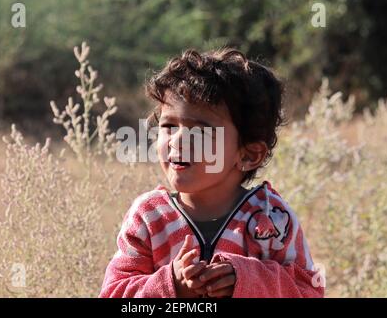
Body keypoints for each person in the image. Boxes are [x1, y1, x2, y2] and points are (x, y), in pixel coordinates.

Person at [99, 48, 324, 298]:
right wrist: (171, 284)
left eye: (201, 131)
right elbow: (114, 294)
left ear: (249, 155)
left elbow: (308, 291)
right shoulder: (149, 218)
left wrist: (246, 279)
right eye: (169, 126)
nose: (178, 141)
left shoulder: (272, 219)